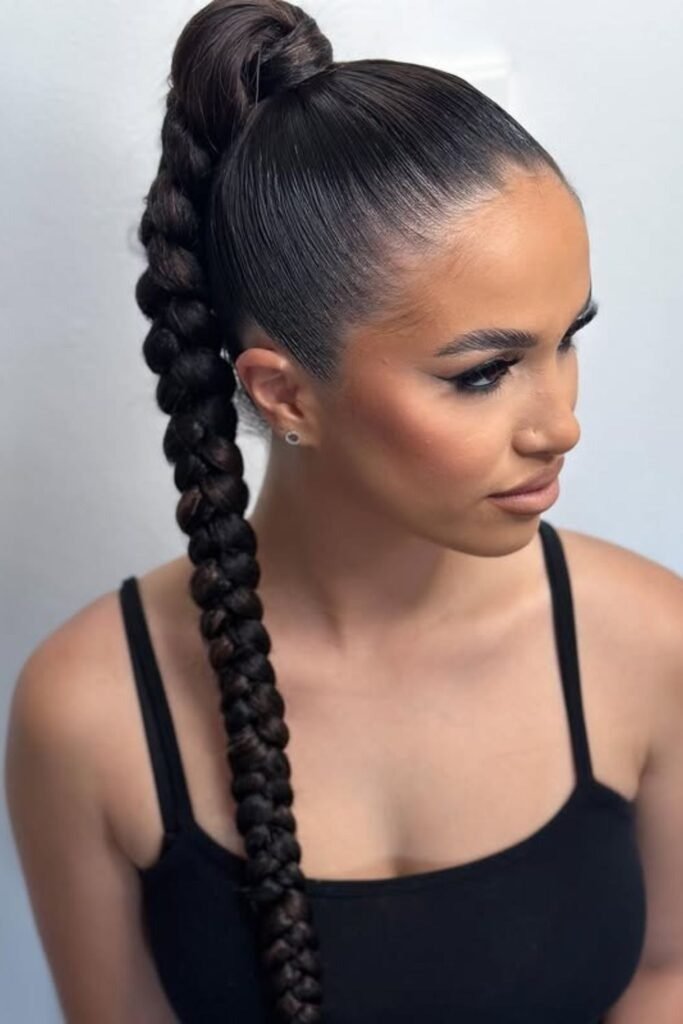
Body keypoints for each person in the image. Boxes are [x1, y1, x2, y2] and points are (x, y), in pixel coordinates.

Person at [6, 1, 683, 1022]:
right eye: (483, 372)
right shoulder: (89, 713)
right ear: (283, 395)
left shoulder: (647, 642)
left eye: (567, 338)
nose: (560, 424)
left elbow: (668, 970)